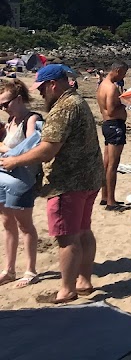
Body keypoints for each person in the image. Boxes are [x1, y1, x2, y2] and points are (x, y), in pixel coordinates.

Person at [0, 64, 104, 304]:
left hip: (67, 182)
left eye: (42, 89)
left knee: (66, 237)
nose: (40, 94)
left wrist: (15, 160)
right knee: (84, 230)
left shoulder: (63, 108)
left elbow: (47, 150)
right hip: (89, 179)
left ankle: (67, 290)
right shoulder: (78, 101)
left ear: (53, 85)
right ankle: (84, 281)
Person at [0, 79, 43, 288]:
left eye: (5, 104)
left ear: (18, 99)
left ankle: (31, 270)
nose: (3, 108)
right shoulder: (10, 121)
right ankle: (9, 269)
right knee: (7, 223)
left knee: (24, 225)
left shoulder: (31, 120)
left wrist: (1, 148)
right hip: (4, 176)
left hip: (22, 179)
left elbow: (29, 150)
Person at [96, 61, 129, 210]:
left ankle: (104, 197)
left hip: (108, 125)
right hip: (114, 125)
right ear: (117, 70)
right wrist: (123, 105)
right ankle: (111, 201)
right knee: (112, 166)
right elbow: (111, 109)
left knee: (106, 163)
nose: (123, 76)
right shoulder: (111, 88)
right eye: (123, 73)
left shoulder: (102, 85)